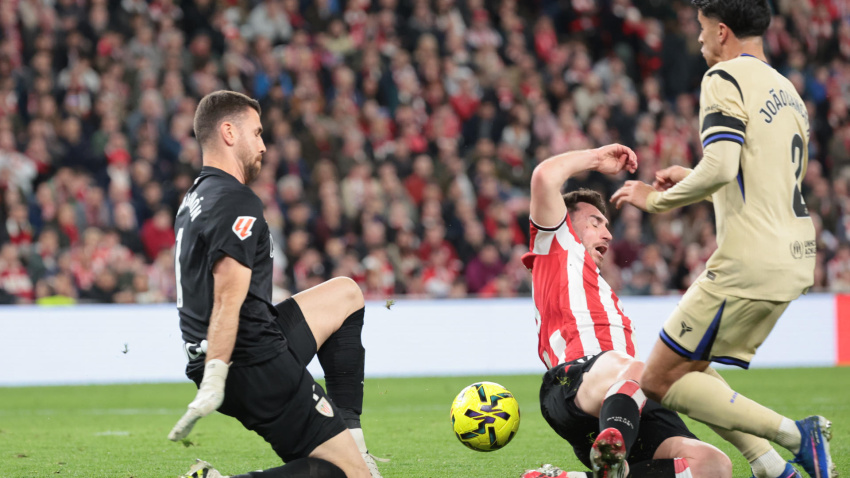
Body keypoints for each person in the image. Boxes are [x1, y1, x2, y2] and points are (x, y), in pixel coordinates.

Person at [611, 2, 835, 478]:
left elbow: (722, 167)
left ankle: (798, 437)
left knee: (656, 379)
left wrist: (655, 200)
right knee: (686, 366)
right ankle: (770, 466)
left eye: (701, 28)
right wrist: (696, 176)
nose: (698, 39)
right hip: (796, 255)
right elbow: (759, 179)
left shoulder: (723, 77)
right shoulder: (788, 91)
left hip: (749, 259)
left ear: (722, 31)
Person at [168, 90, 382, 478]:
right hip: (250, 359)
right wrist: (216, 376)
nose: (263, 145)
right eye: (257, 133)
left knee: (346, 294)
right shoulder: (236, 200)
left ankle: (354, 441)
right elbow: (228, 296)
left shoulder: (196, 197)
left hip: (232, 348)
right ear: (229, 133)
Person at [519, 144, 736, 478]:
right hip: (575, 383)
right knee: (637, 369)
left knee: (713, 466)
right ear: (565, 223)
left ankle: (585, 475)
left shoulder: (602, 289)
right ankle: (613, 450)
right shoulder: (556, 247)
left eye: (607, 225)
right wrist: (597, 158)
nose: (607, 233)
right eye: (595, 222)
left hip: (624, 395)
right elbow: (544, 176)